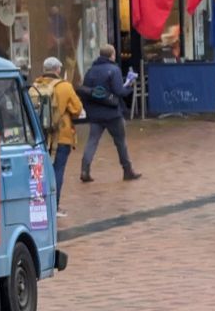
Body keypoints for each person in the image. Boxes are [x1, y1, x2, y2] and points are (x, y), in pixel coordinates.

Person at [80, 45, 141, 183]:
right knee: (120, 142)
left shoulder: (91, 71)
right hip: (113, 113)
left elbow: (87, 91)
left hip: (96, 114)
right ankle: (127, 170)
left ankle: (85, 169)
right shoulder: (114, 70)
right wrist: (129, 86)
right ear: (111, 55)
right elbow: (119, 91)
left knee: (92, 141)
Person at [32, 57, 82, 218]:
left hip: (39, 137)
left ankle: (40, 205)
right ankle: (55, 206)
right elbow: (77, 109)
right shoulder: (65, 87)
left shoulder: (34, 86)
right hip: (61, 136)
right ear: (58, 70)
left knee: (39, 173)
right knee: (57, 170)